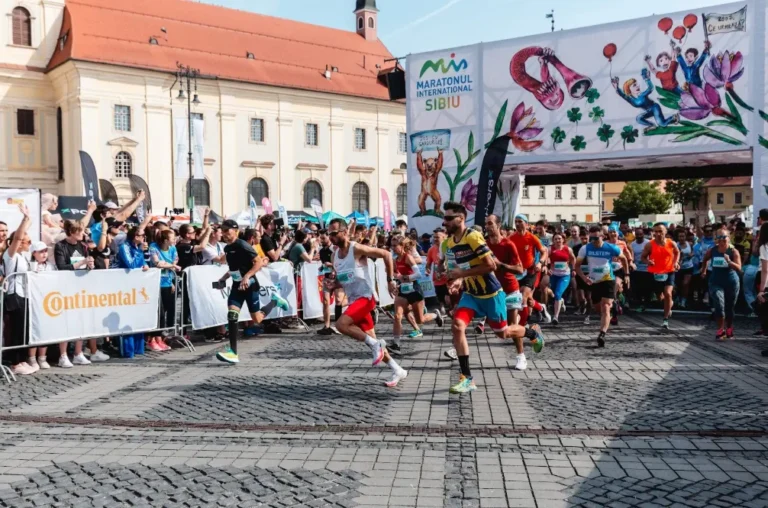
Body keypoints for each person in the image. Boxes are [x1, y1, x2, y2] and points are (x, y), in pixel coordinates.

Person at [442, 202, 545, 393]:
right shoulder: (448, 243)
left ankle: (532, 333)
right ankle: (467, 378)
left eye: (448, 218)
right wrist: (456, 282)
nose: (444, 221)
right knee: (457, 326)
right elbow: (459, 270)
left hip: (491, 294)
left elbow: (491, 266)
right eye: (444, 217)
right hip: (471, 295)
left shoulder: (472, 237)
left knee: (503, 333)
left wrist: (460, 275)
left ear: (461, 219)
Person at [327, 218, 408, 387]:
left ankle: (376, 345)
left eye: (334, 233)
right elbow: (346, 278)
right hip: (354, 300)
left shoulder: (356, 248)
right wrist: (335, 284)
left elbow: (386, 254)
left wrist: (390, 280)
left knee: (341, 325)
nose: (331, 237)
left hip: (366, 298)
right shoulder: (334, 255)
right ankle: (397, 369)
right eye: (329, 234)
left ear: (345, 232)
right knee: (372, 340)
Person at [214, 220, 290, 364]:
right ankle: (233, 352)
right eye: (222, 232)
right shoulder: (228, 249)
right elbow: (233, 268)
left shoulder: (243, 245)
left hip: (251, 285)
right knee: (232, 315)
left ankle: (275, 301)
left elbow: (259, 262)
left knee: (257, 320)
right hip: (237, 286)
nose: (225, 235)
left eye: (227, 232)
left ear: (235, 231)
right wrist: (223, 278)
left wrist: (247, 276)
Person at [2, 205, 48, 375]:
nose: (29, 243)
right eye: (27, 241)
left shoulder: (23, 257)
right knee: (14, 330)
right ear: (19, 242)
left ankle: (21, 359)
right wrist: (24, 220)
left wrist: (28, 219)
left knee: (23, 330)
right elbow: (17, 237)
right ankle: (14, 363)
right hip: (14, 295)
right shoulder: (10, 254)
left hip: (24, 295)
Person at [576, 225, 627, 347]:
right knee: (598, 308)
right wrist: (584, 277)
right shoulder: (585, 249)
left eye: (596, 238)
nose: (593, 241)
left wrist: (627, 274)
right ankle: (614, 304)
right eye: (591, 238)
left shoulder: (611, 248)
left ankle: (602, 334)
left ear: (602, 237)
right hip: (594, 281)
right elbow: (577, 266)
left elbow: (624, 259)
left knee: (605, 307)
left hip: (608, 280)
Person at [389, 235, 443, 352]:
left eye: (395, 246)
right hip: (403, 291)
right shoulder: (395, 259)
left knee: (420, 320)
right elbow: (394, 273)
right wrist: (394, 281)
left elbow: (418, 274)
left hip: (414, 290)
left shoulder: (408, 257)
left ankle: (435, 315)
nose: (393, 248)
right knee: (397, 316)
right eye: (391, 245)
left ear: (402, 246)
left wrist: (404, 277)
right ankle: (396, 344)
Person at [509, 214, 550, 328]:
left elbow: (544, 251)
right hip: (517, 272)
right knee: (528, 300)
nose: (517, 224)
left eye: (520, 221)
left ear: (526, 224)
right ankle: (541, 308)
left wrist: (540, 263)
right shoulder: (511, 238)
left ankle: (523, 325)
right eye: (516, 222)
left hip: (531, 271)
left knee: (523, 297)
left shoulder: (532, 237)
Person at [701, 227, 742, 340]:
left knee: (730, 307)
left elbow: (739, 268)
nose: (722, 239)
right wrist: (704, 270)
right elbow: (704, 260)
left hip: (731, 282)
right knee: (719, 304)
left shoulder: (733, 251)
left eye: (724, 237)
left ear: (729, 238)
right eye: (719, 237)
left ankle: (729, 327)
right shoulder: (713, 250)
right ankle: (720, 330)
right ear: (716, 239)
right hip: (716, 281)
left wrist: (729, 261)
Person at [641, 223, 680, 330]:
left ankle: (665, 320)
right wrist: (648, 261)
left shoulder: (671, 243)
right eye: (656, 231)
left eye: (660, 231)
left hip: (669, 271)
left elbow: (677, 252)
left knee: (668, 293)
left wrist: (675, 263)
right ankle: (668, 305)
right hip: (655, 273)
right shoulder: (650, 244)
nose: (658, 234)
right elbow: (643, 257)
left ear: (665, 232)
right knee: (660, 297)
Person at [148, 230, 180, 352]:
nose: (175, 239)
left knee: (166, 311)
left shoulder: (172, 249)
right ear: (166, 240)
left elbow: (174, 261)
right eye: (173, 237)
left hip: (167, 283)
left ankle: (160, 338)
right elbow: (157, 263)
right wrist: (171, 266)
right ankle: (152, 339)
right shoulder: (154, 247)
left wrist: (171, 280)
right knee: (158, 313)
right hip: (156, 284)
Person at [317, 229, 344, 335]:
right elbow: (324, 263)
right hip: (327, 277)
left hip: (337, 277)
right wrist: (323, 267)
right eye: (320, 238)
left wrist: (332, 267)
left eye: (324, 238)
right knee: (325, 301)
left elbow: (341, 263)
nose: (322, 240)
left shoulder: (335, 249)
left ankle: (338, 325)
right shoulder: (321, 250)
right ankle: (327, 326)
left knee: (338, 300)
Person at [549, 232, 576, 325]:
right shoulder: (550, 249)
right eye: (556, 239)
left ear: (563, 240)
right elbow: (545, 259)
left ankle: (555, 317)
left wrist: (574, 269)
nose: (558, 240)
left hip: (565, 275)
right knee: (555, 294)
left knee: (557, 294)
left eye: (559, 239)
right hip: (554, 275)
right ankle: (561, 301)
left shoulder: (568, 249)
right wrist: (547, 267)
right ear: (553, 240)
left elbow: (573, 259)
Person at [425, 228, 449, 314]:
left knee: (448, 299)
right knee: (440, 298)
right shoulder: (431, 249)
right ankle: (442, 309)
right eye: (434, 237)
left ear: (444, 237)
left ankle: (450, 309)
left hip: (449, 278)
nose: (435, 239)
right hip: (437, 278)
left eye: (437, 237)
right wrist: (427, 269)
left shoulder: (449, 247)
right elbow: (428, 263)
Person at [629, 227, 651, 311]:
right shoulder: (632, 244)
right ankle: (639, 303)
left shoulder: (648, 243)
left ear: (643, 234)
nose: (639, 236)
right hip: (636, 269)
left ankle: (646, 303)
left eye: (641, 234)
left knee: (646, 288)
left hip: (647, 269)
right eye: (637, 234)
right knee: (637, 288)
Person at [676, 229, 695, 309]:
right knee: (678, 285)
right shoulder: (675, 245)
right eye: (680, 236)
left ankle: (683, 300)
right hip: (678, 268)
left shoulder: (689, 244)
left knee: (685, 284)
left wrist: (691, 254)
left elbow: (693, 252)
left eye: (683, 236)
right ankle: (677, 298)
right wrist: (680, 257)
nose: (681, 238)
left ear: (685, 237)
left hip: (688, 267)